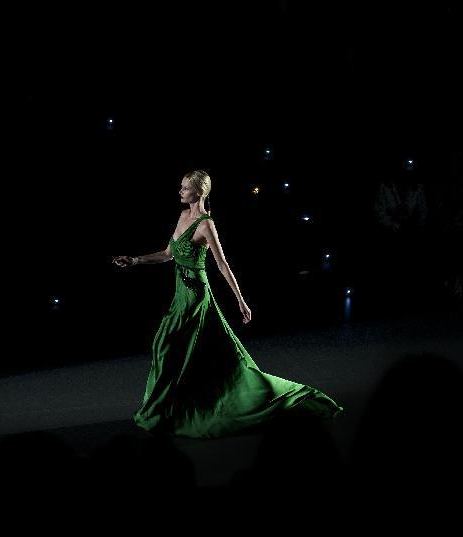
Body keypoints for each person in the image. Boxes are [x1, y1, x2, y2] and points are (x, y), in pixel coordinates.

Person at [112, 170, 343, 438]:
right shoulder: (182, 217)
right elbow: (167, 254)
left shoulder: (205, 224)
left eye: (186, 187)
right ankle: (172, 407)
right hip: (180, 295)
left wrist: (241, 301)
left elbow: (222, 265)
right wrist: (136, 260)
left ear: (199, 192)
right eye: (181, 186)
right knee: (177, 351)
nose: (180, 190)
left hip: (196, 295)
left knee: (168, 347)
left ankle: (175, 410)